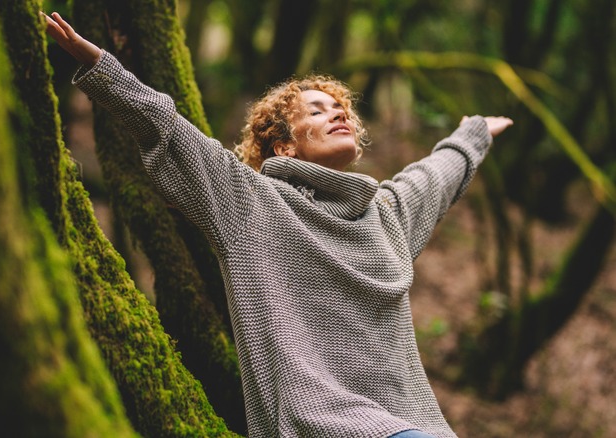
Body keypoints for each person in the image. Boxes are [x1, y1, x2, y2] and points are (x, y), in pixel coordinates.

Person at [44, 11, 513, 438]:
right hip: (319, 424)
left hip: (412, 424)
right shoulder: (252, 205)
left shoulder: (385, 216)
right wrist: (103, 68)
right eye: (316, 110)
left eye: (341, 110)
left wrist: (472, 135)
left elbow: (432, 177)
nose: (337, 114)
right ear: (283, 146)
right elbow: (170, 131)